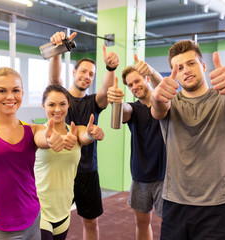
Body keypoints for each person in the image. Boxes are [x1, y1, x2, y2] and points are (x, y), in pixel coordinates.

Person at [151, 40, 225, 239]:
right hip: (175, 204)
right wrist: (155, 98)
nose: (185, 71)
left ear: (203, 66)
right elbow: (158, 110)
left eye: (191, 63)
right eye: (178, 68)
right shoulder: (170, 101)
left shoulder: (224, 98)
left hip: (217, 206)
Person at [0, 67, 65, 240]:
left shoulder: (33, 130)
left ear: (22, 93)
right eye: (2, 90)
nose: (10, 97)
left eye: (15, 90)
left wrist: (50, 139)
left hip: (33, 219)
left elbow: (43, 137)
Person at [49, 31, 119, 240]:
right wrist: (57, 50)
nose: (87, 76)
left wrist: (111, 68)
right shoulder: (63, 98)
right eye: (83, 71)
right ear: (74, 72)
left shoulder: (94, 102)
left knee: (91, 222)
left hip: (88, 171)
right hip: (62, 169)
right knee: (56, 221)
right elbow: (54, 78)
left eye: (91, 74)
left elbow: (106, 91)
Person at [107, 55, 166, 240]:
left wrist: (152, 70)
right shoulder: (133, 109)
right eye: (130, 85)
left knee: (168, 225)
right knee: (142, 223)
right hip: (140, 177)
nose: (134, 87)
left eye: (137, 81)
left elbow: (162, 88)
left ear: (147, 78)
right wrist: (117, 102)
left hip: (166, 176)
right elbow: (125, 111)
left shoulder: (165, 104)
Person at [34, 84, 105, 240]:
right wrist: (50, 139)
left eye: (62, 104)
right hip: (40, 208)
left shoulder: (76, 130)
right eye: (52, 104)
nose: (57, 109)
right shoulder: (38, 130)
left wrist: (92, 134)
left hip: (64, 209)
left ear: (68, 105)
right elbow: (41, 139)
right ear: (43, 106)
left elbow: (85, 137)